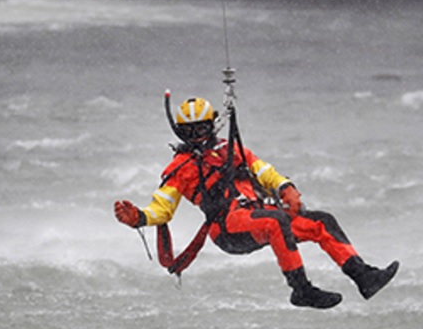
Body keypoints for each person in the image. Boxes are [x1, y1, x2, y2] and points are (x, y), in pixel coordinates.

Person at [113, 96, 397, 309]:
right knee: (276, 222)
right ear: (180, 132)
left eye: (202, 128)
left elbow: (264, 171)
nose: (197, 136)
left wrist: (287, 187)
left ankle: (364, 277)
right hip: (228, 229)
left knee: (322, 221)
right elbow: (162, 208)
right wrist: (138, 217)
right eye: (190, 131)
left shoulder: (231, 149)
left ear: (212, 124)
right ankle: (301, 289)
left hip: (260, 215)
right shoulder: (179, 168)